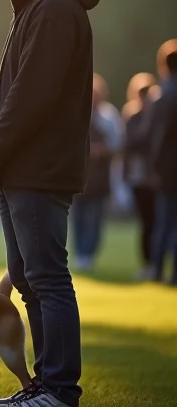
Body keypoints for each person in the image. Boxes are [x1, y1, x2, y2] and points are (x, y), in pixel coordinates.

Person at [0, 0, 99, 407]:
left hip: (37, 167)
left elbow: (32, 94)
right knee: (27, 277)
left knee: (46, 276)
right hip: (23, 166)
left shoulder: (53, 7)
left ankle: (59, 391)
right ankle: (44, 386)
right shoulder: (39, 1)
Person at [70, 74, 123, 271]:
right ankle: (80, 254)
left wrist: (102, 149)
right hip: (77, 179)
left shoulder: (109, 117)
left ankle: (88, 255)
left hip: (100, 180)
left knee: (94, 219)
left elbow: (118, 143)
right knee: (78, 220)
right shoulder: (75, 114)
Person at [122, 72, 159, 280]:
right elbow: (131, 144)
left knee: (158, 221)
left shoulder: (158, 114)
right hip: (139, 177)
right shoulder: (133, 117)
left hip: (156, 177)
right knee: (147, 222)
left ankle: (157, 262)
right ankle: (148, 263)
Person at [149, 40, 177, 284]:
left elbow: (156, 136)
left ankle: (157, 270)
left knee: (165, 221)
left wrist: (154, 164)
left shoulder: (163, 96)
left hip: (167, 169)